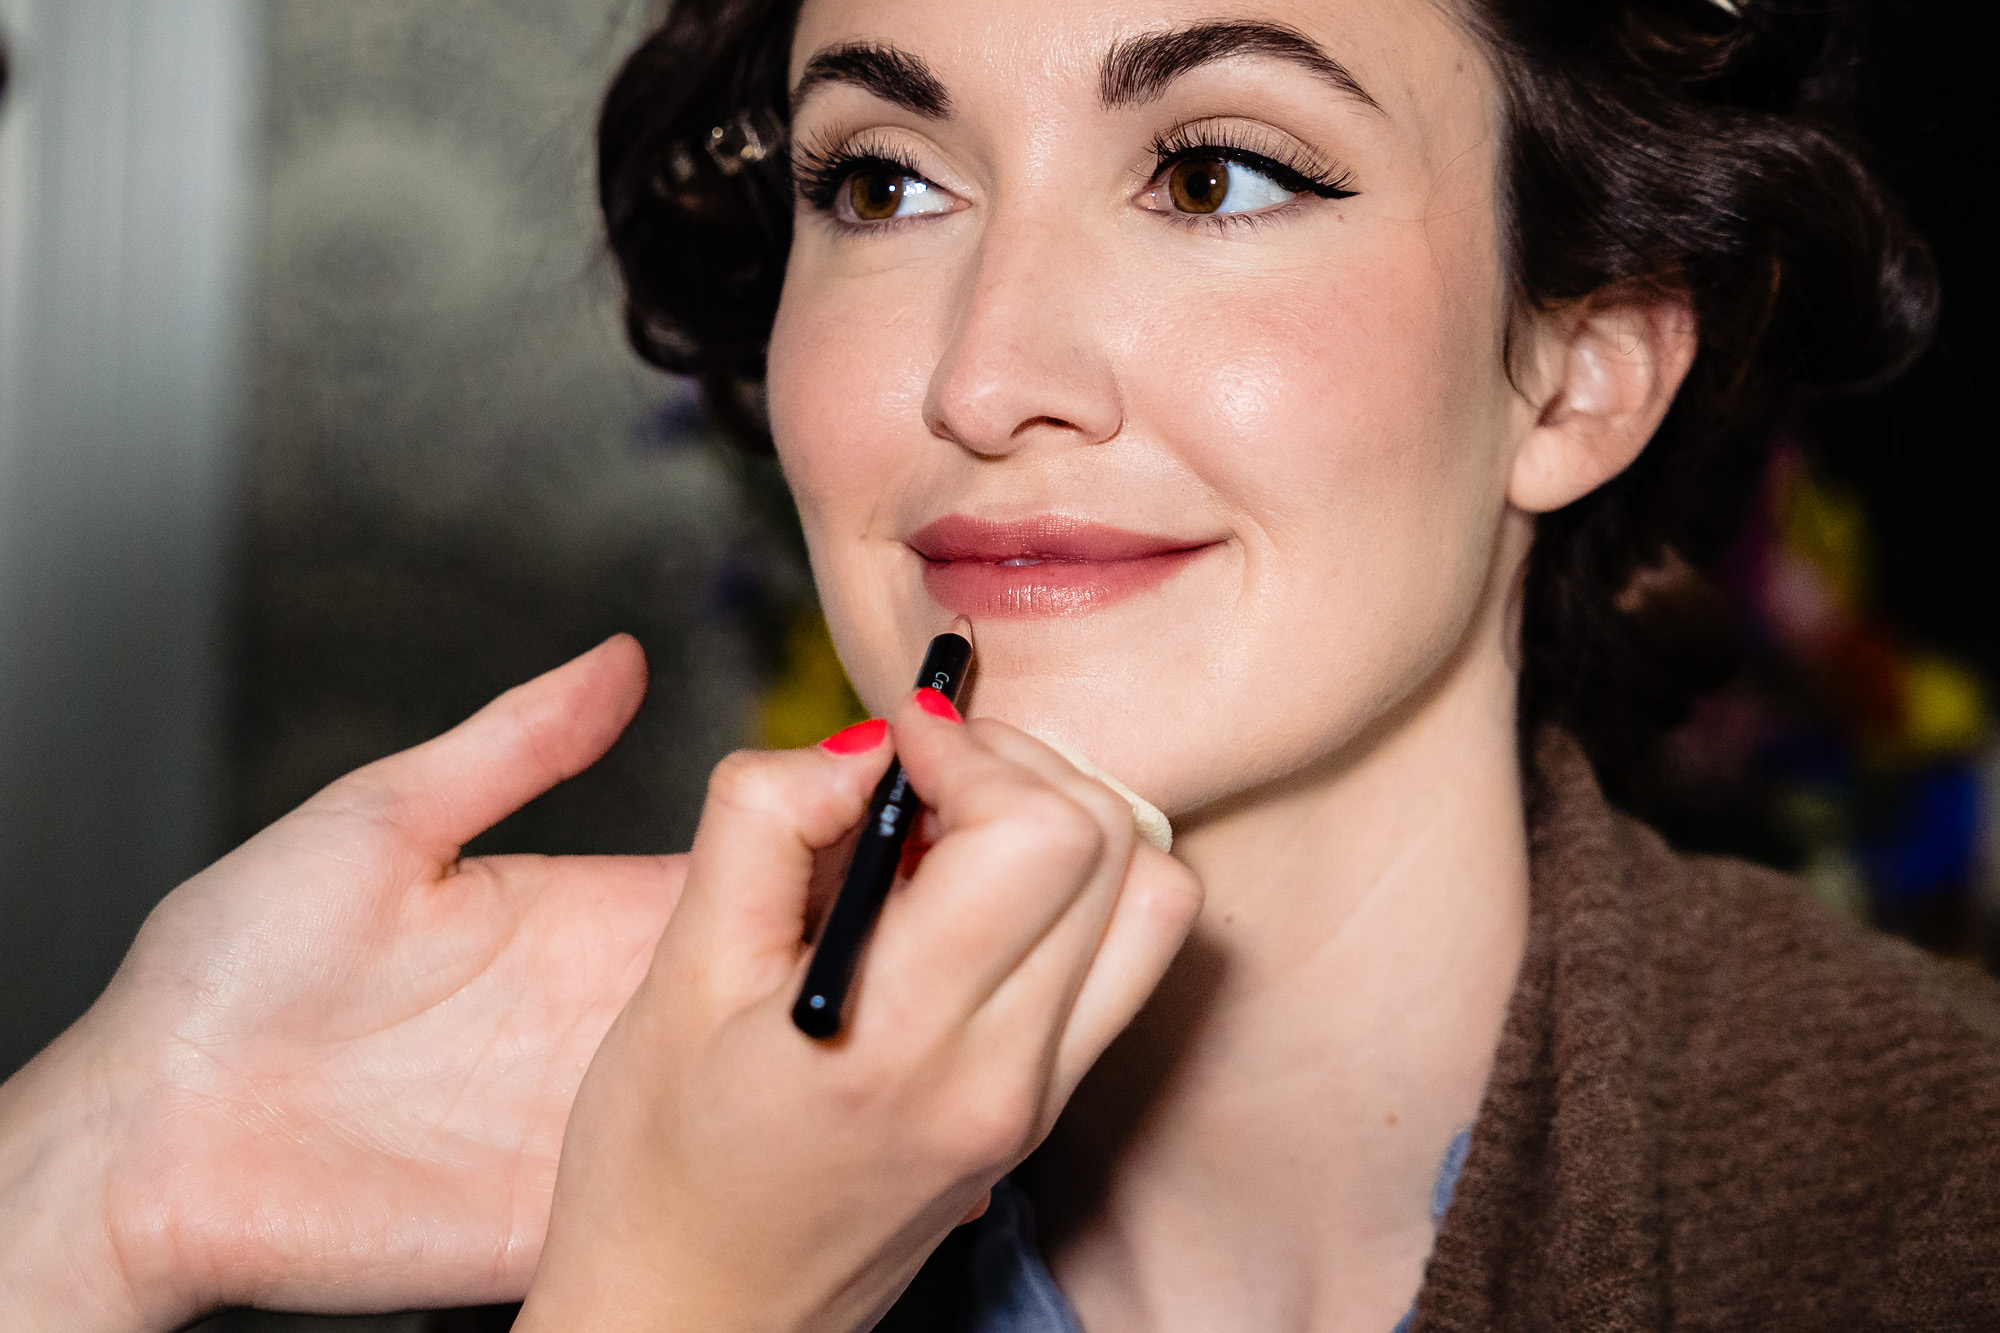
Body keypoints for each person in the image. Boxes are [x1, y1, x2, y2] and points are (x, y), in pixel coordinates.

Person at [3, 0, 1997, 1330]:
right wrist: (117, 1155)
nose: (980, 376)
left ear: (1575, 366)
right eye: (881, 181)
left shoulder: (1928, 1207)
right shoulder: (571, 1198)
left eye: (1216, 170)